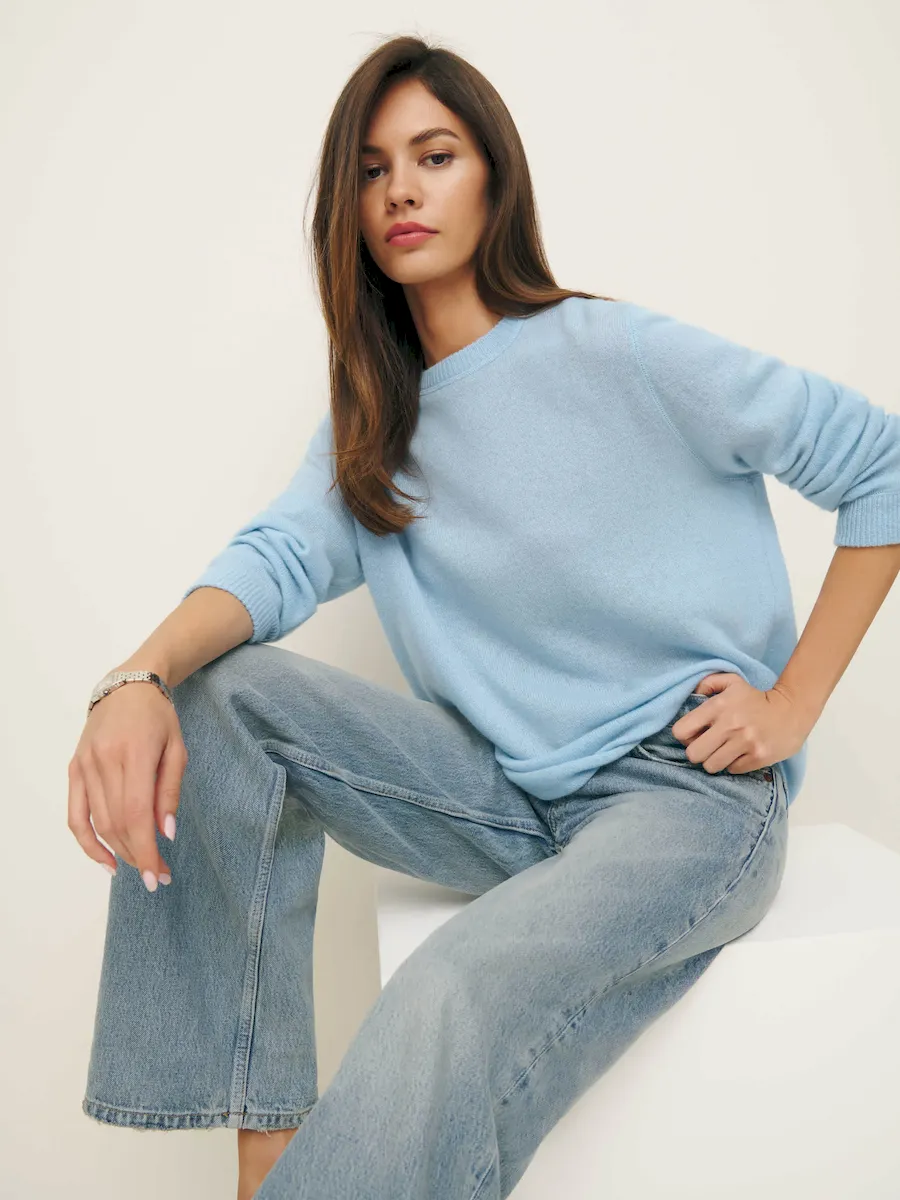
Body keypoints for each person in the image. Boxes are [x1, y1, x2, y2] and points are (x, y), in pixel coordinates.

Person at [70, 34, 900, 1200]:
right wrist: (133, 679)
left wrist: (794, 702)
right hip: (506, 797)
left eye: (435, 155)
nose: (400, 191)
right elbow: (270, 563)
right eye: (371, 170)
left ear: (494, 180)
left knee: (445, 995)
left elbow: (880, 462)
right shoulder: (372, 428)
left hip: (687, 799)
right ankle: (264, 1153)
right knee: (213, 697)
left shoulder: (619, 352)